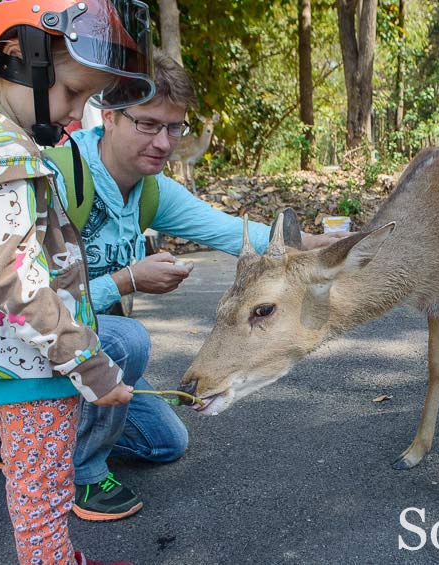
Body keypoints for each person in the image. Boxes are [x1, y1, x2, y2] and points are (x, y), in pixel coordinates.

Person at [50, 53, 348, 522]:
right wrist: (128, 280)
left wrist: (320, 244)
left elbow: (229, 232)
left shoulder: (151, 189)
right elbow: (28, 298)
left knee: (167, 442)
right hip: (39, 335)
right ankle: (79, 474)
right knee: (128, 340)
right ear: (108, 115)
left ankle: (42, 430)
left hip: (87, 339)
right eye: (147, 125)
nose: (163, 142)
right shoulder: (60, 178)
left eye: (174, 128)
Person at [0, 0, 155, 562]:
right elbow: (18, 280)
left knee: (34, 491)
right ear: (23, 54)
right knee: (43, 495)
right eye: (73, 92)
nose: (76, 114)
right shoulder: (4, 156)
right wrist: (91, 365)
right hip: (32, 365)